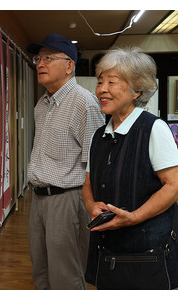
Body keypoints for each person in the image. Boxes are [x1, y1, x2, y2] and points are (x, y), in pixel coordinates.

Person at [83, 47, 178, 289]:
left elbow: (173, 186)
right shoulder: (99, 135)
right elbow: (88, 181)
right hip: (107, 247)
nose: (102, 89)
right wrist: (91, 206)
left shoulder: (153, 128)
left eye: (112, 82)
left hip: (147, 251)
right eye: (100, 81)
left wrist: (134, 217)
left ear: (137, 90)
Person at [26, 33, 105, 289]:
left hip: (67, 199)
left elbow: (96, 163)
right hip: (38, 199)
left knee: (66, 276)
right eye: (39, 58)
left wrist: (91, 206)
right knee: (41, 271)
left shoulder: (84, 103)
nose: (40, 63)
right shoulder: (42, 104)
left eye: (49, 58)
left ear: (70, 66)